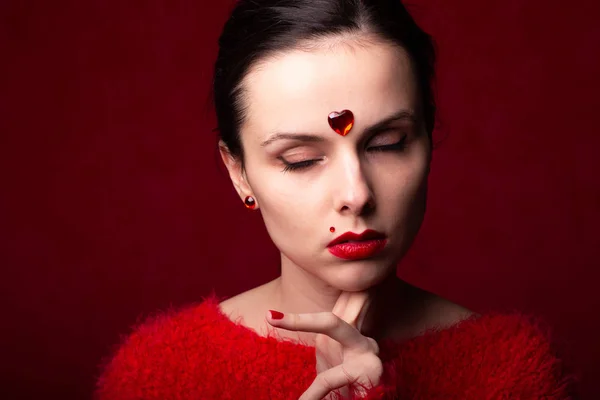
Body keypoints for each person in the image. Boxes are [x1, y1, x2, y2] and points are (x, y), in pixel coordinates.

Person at [94, 0, 577, 398]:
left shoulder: (513, 374)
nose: (356, 195)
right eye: (302, 158)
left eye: (387, 144)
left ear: (429, 140)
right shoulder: (160, 375)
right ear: (238, 171)